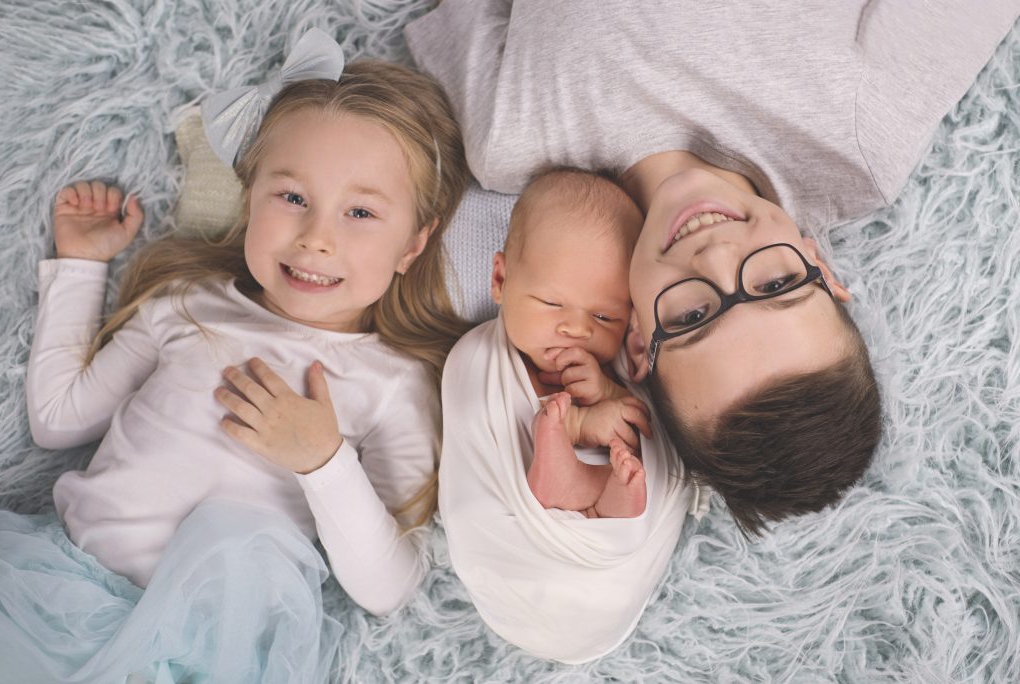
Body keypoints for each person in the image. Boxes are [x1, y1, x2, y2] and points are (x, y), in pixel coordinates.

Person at [408, 0, 1020, 661]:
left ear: (637, 341)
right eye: (778, 285)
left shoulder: (510, 133)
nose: (718, 254)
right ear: (822, 267)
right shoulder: (858, 137)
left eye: (693, 318)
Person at [0, 29, 468, 683]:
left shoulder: (390, 383)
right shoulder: (187, 306)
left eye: (360, 212)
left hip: (205, 652)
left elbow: (388, 586)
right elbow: (58, 418)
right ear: (251, 201)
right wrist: (80, 266)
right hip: (66, 596)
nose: (316, 238)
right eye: (293, 198)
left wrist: (324, 461)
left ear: (412, 247)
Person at [465, 168, 650, 518]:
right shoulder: (480, 358)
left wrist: (607, 392)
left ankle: (612, 497)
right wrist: (580, 424)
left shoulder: (621, 363)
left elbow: (644, 423)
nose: (577, 329)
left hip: (606, 526)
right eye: (552, 303)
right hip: (514, 517)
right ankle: (573, 483)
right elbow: (487, 426)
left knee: (631, 467)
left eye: (604, 317)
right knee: (547, 426)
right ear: (501, 279)